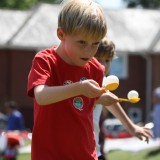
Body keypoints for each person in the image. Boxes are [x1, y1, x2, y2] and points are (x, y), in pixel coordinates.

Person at [27, 0, 152, 160]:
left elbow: (85, 99)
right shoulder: (45, 60)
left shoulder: (95, 69)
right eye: (82, 42)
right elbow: (41, 96)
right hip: (49, 155)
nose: (89, 51)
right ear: (61, 34)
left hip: (85, 154)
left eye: (95, 44)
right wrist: (79, 88)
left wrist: (100, 99)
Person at [93, 37, 116, 160]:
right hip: (81, 148)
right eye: (98, 60)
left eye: (107, 60)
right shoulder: (85, 80)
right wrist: (97, 99)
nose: (103, 65)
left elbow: (112, 102)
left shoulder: (104, 82)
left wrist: (131, 127)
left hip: (95, 149)